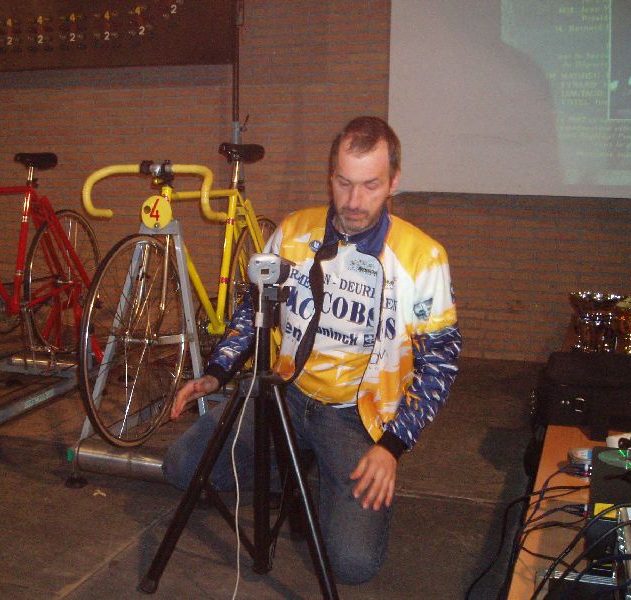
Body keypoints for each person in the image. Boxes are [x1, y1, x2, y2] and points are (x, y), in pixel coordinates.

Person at [162, 116, 462, 584]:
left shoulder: (423, 258)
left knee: (354, 564)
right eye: (343, 183)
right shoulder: (295, 230)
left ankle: (319, 476)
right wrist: (218, 372)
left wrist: (392, 447)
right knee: (180, 468)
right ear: (331, 175)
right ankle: (301, 477)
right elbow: (252, 309)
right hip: (284, 395)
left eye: (369, 185)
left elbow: (440, 364)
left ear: (394, 183)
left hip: (354, 416)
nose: (353, 201)